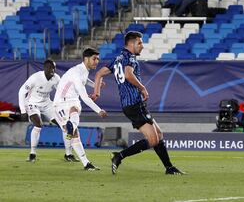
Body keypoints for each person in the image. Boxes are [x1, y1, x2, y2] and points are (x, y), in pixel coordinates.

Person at [92, 31, 184, 175]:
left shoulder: (118, 59)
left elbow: (98, 74)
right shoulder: (130, 58)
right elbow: (128, 74)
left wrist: (97, 92)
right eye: (140, 43)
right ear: (131, 43)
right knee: (153, 139)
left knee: (158, 134)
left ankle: (169, 167)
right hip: (135, 104)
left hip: (130, 105)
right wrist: (142, 88)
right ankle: (119, 156)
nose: (142, 46)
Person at [53, 47, 107, 171]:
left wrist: (95, 84)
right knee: (74, 128)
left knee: (75, 112)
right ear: (86, 59)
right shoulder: (76, 73)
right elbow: (84, 97)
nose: (97, 61)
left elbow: (84, 81)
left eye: (98, 59)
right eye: (94, 58)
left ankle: (71, 127)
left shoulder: (83, 70)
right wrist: (99, 110)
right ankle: (85, 162)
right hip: (60, 104)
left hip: (72, 101)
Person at [18, 59, 78, 162]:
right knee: (38, 124)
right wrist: (23, 110)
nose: (52, 70)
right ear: (45, 68)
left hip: (47, 104)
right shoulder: (35, 78)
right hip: (32, 103)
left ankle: (68, 154)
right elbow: (21, 92)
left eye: (54, 68)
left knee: (64, 125)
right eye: (50, 67)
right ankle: (32, 153)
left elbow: (62, 93)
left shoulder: (56, 79)